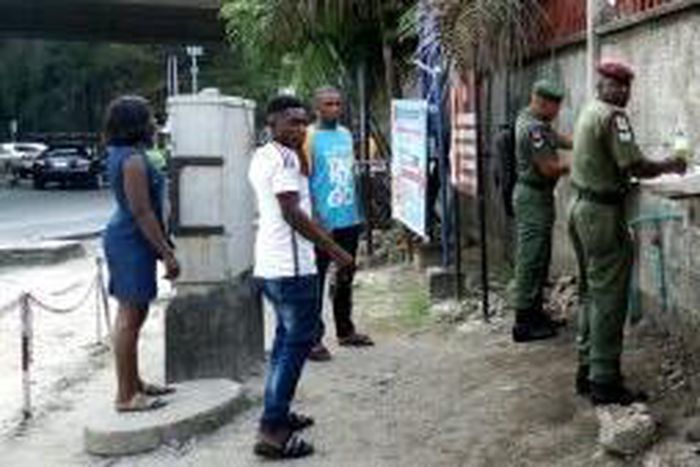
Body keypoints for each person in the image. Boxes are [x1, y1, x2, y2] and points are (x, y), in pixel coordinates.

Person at [569, 61, 686, 405]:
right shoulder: (613, 117)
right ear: (602, 86)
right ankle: (604, 382)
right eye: (616, 85)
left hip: (580, 208)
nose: (623, 92)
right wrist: (671, 165)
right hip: (601, 216)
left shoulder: (590, 111)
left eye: (626, 86)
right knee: (609, 298)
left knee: (591, 292)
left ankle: (587, 369)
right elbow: (634, 165)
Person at [248, 95, 355, 459]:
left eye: (302, 123)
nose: (299, 128)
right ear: (272, 123)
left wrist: (300, 148)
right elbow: (292, 213)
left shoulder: (268, 154)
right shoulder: (284, 160)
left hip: (270, 268)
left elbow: (298, 201)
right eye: (291, 122)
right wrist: (335, 250)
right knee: (295, 348)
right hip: (291, 270)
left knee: (283, 344)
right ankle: (273, 430)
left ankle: (277, 413)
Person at [103, 96, 180, 412]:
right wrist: (166, 253)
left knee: (136, 314)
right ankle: (125, 395)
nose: (154, 122)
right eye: (149, 117)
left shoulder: (125, 154)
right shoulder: (133, 160)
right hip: (131, 241)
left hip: (132, 239)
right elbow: (142, 211)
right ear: (136, 123)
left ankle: (134, 383)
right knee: (129, 317)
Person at [305, 87, 374, 362]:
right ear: (317, 108)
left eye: (338, 103)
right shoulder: (308, 137)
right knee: (317, 280)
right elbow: (305, 180)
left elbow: (349, 175)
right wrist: (315, 219)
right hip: (322, 223)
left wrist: (359, 212)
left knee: (346, 274)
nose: (335, 108)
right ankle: (313, 339)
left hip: (348, 217)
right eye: (328, 104)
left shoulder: (345, 134)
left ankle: (345, 331)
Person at [511, 79, 573, 343]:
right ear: (542, 102)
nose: (558, 112)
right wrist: (577, 163)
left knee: (540, 258)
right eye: (555, 107)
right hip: (532, 197)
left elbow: (561, 139)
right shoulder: (532, 129)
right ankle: (524, 322)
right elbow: (548, 168)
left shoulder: (533, 119)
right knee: (531, 259)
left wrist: (588, 139)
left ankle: (536, 313)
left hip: (537, 197)